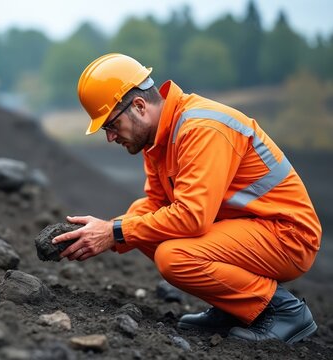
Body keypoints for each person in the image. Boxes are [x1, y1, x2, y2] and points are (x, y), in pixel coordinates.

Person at [53, 53, 321, 344]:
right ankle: (235, 309)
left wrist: (113, 233)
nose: (110, 137)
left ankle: (283, 311)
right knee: (143, 222)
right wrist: (101, 231)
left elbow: (192, 217)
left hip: (287, 235)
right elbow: (156, 206)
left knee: (174, 257)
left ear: (140, 106)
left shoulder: (202, 128)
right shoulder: (159, 139)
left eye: (111, 125)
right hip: (247, 227)